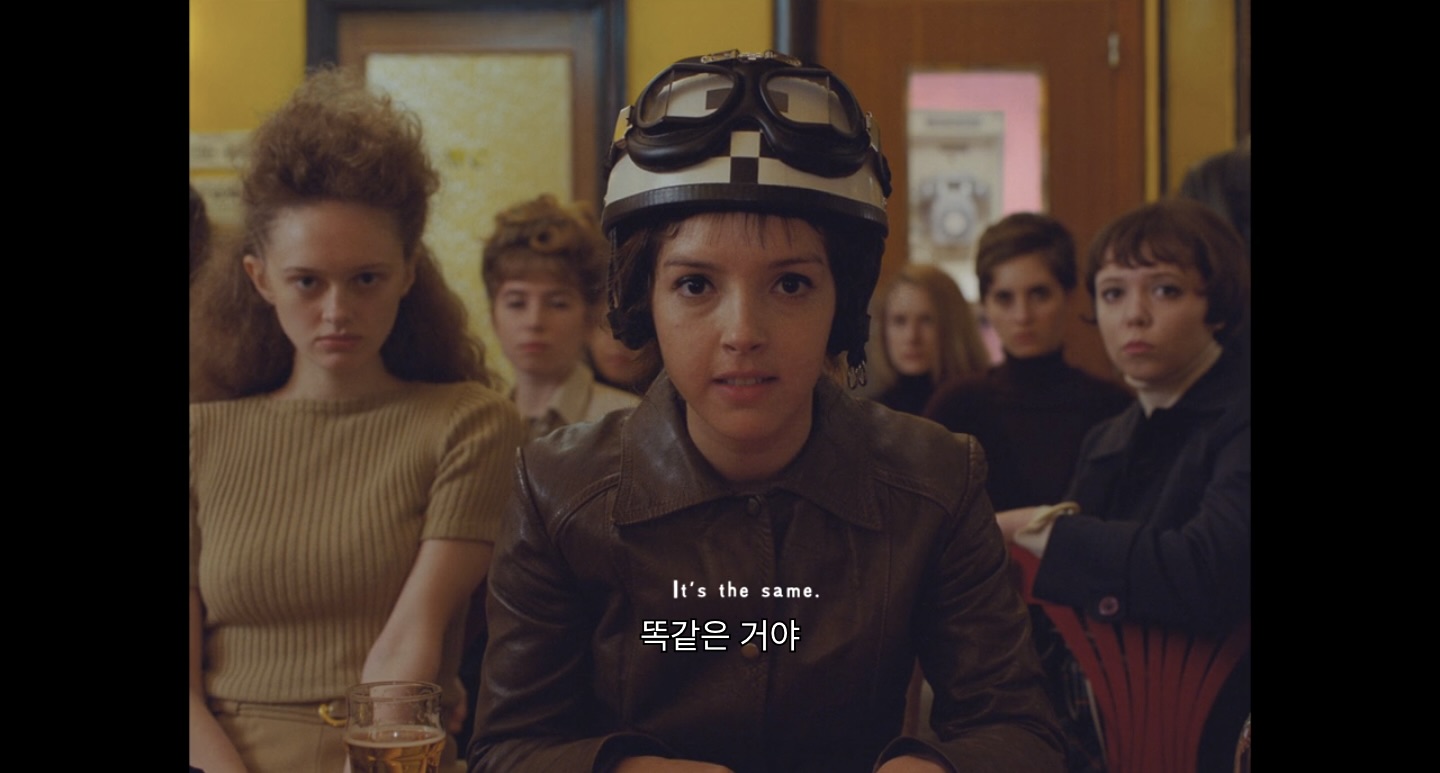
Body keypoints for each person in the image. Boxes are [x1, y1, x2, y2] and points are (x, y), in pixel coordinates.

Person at [470, 49, 1065, 773]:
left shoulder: (937, 481)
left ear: (843, 303)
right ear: (643, 301)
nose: (743, 332)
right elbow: (507, 746)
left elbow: (1019, 732)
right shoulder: (558, 490)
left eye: (790, 284)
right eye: (696, 285)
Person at [189, 68, 524, 773]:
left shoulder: (469, 424)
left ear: (408, 271)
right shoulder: (200, 438)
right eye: (307, 282)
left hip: (388, 752)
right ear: (260, 278)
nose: (337, 311)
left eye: (366, 279)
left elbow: (411, 643)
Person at [996, 198, 1251, 773]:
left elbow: (1208, 573)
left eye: (1165, 290)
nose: (1134, 315)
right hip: (1105, 733)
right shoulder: (1110, 436)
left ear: (1216, 307)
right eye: (1112, 293)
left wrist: (1039, 528)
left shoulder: (1240, 416)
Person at [925, 213, 1131, 511]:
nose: (1022, 316)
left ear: (1069, 295)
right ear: (985, 305)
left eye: (1039, 294)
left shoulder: (1113, 409)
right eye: (1004, 298)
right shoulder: (957, 406)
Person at [481, 194, 641, 441]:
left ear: (589, 318)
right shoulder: (481, 423)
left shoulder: (627, 422)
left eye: (558, 304)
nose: (534, 321)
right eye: (516, 303)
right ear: (493, 315)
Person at [873, 263, 989, 415]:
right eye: (899, 321)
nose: (912, 337)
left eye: (926, 320)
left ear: (954, 326)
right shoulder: (872, 414)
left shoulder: (983, 403)